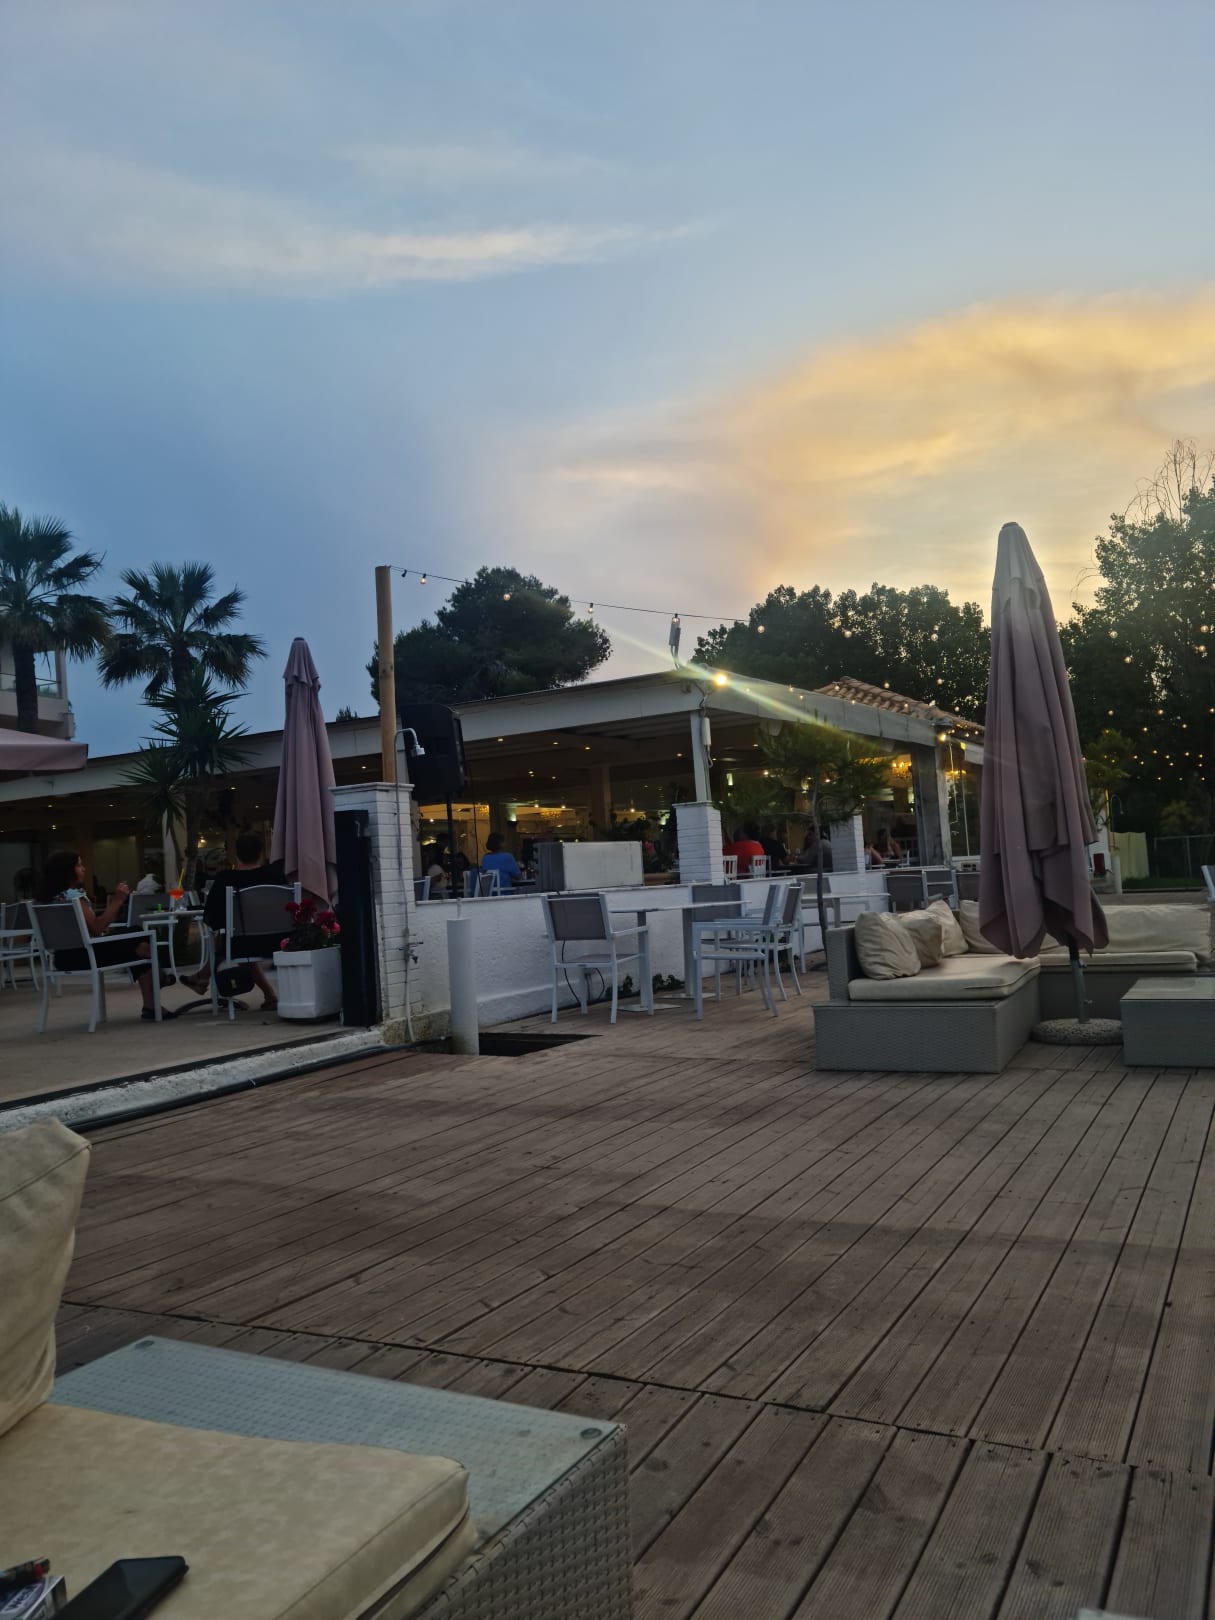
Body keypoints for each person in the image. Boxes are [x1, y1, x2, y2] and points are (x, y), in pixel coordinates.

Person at [40, 850, 175, 1021]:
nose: (84, 869)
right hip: (85, 956)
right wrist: (118, 900)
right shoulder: (73, 897)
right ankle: (159, 978)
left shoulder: (45, 901)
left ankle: (152, 1004)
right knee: (138, 935)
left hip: (62, 958)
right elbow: (97, 928)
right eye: (79, 865)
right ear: (67, 871)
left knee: (139, 945)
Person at [192, 833, 281, 1010]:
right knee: (236, 938)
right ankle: (201, 976)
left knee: (229, 939)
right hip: (277, 940)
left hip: (242, 942)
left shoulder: (226, 878)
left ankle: (202, 976)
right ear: (261, 853)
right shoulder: (275, 875)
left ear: (237, 854)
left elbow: (211, 918)